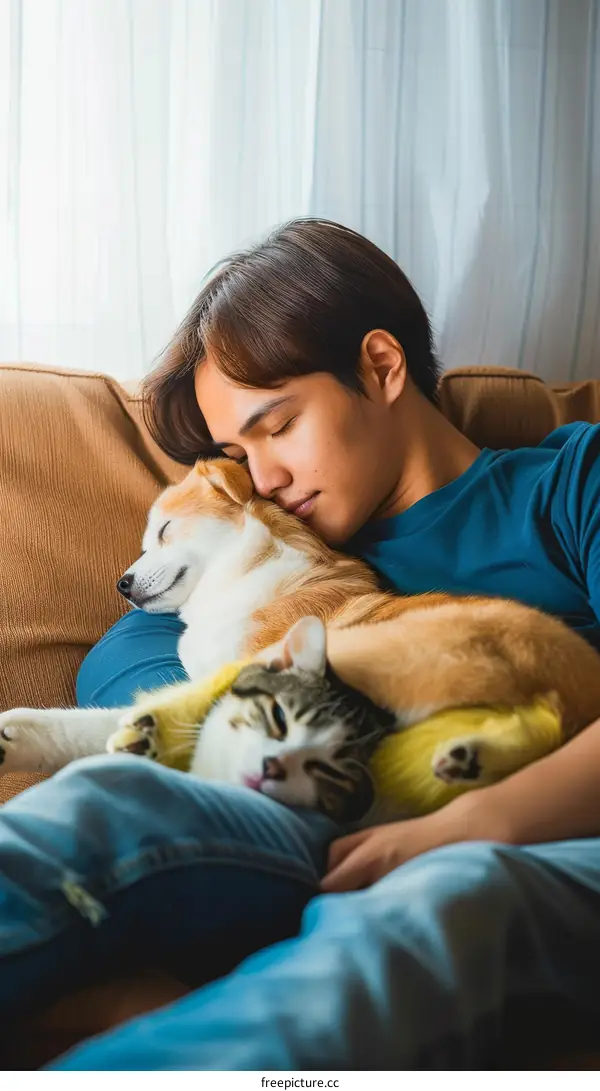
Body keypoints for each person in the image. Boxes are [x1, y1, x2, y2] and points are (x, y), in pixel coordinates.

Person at [3, 218, 600, 1070]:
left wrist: (474, 822)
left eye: (277, 426)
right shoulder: (263, 552)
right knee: (104, 804)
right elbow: (134, 690)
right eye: (237, 452)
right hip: (305, 808)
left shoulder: (572, 484)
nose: (265, 474)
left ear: (382, 366)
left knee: (442, 900)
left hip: (546, 830)